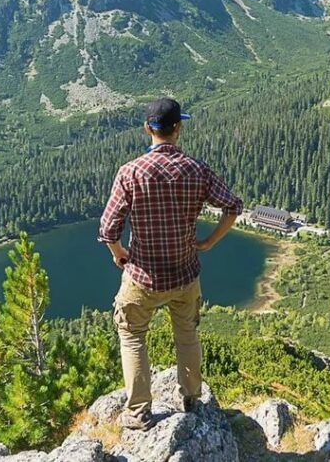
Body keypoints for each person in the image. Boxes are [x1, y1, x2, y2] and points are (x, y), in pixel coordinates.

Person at [98, 97, 243, 431]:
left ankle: (138, 412)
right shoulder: (196, 170)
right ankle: (191, 399)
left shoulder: (130, 172)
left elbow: (108, 230)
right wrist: (208, 242)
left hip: (142, 277)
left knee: (132, 336)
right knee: (187, 335)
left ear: (147, 128)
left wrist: (118, 253)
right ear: (178, 127)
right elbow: (233, 207)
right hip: (185, 274)